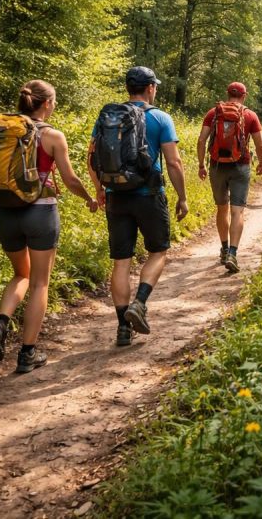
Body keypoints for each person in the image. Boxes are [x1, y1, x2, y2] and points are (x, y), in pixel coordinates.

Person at [0, 80, 99, 373]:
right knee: (40, 283)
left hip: (6, 212)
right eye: (54, 102)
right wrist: (90, 199)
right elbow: (69, 180)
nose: (54, 106)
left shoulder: (0, 130)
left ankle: (1, 322)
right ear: (46, 104)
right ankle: (27, 353)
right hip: (41, 214)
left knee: (20, 273)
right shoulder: (53, 136)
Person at [88, 66, 188, 347]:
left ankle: (122, 327)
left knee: (121, 261)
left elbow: (92, 157)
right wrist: (182, 197)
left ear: (128, 88)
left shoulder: (108, 116)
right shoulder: (160, 117)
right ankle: (139, 303)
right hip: (149, 195)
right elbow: (173, 162)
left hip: (116, 195)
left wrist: (100, 190)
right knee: (158, 251)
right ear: (150, 88)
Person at [197, 81, 262, 272]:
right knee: (237, 211)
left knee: (221, 209)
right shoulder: (250, 115)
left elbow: (202, 140)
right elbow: (260, 145)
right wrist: (261, 162)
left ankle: (224, 249)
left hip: (217, 166)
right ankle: (233, 254)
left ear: (228, 94)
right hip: (241, 166)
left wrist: (202, 164)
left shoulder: (213, 113)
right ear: (244, 95)